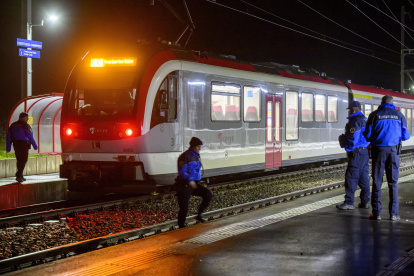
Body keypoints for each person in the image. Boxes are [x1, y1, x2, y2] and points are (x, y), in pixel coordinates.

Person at [363, 95, 410, 221]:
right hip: (393, 152)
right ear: (392, 103)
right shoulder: (399, 115)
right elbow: (406, 136)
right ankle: (394, 214)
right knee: (393, 182)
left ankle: (376, 213)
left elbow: (367, 135)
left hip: (378, 151)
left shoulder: (374, 115)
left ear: (381, 102)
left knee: (377, 182)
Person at [337, 101, 370, 210]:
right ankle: (365, 201)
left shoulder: (354, 121)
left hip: (356, 153)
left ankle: (349, 202)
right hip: (365, 152)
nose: (349, 112)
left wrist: (347, 148)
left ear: (353, 110)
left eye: (349, 110)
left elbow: (353, 139)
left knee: (351, 177)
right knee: (363, 177)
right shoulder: (365, 120)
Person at [176, 137, 213, 228]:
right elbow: (182, 171)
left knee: (208, 194)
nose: (200, 149)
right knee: (184, 206)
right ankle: (181, 225)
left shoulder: (196, 155)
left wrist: (197, 179)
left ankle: (199, 215)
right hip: (184, 184)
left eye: (200, 147)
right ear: (193, 146)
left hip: (194, 184)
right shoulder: (184, 156)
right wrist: (189, 180)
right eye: (198, 147)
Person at [6, 112, 38, 183]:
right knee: (24, 159)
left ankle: (20, 175)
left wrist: (8, 148)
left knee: (19, 159)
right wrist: (35, 146)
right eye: (27, 118)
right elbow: (30, 137)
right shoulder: (25, 125)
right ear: (23, 118)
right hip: (24, 144)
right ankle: (19, 174)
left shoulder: (13, 125)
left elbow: (9, 137)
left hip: (16, 144)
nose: (27, 119)